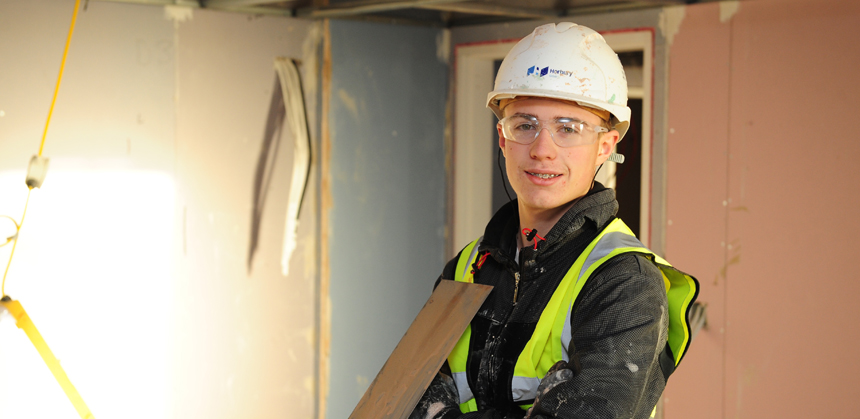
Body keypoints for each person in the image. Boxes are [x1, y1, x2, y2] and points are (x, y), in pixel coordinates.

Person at [410, 22, 699, 419]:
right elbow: (401, 398)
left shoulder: (624, 284)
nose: (542, 150)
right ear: (502, 138)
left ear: (604, 145)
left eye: (568, 128)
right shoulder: (467, 267)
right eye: (525, 125)